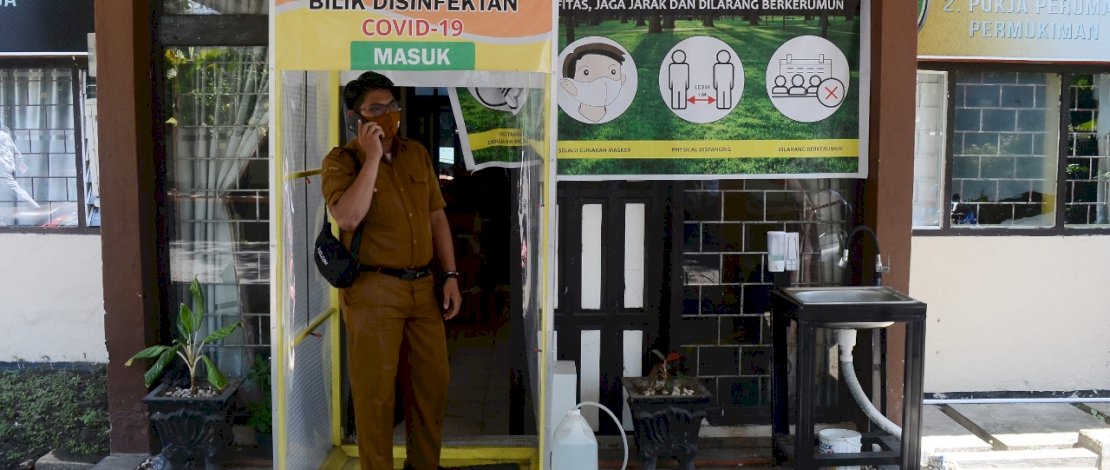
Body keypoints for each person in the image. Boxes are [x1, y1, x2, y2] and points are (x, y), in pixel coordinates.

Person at [320, 71, 461, 470]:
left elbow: (436, 217)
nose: (388, 116)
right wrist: (372, 158)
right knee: (376, 398)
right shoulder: (341, 161)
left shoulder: (416, 153)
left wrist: (450, 276)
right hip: (372, 290)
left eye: (392, 107)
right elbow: (347, 218)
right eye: (376, 109)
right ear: (355, 117)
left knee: (431, 390)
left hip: (423, 288)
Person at [0, 126, 40, 209]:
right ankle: (35, 207)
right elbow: (17, 153)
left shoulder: (3, 136)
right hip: (7, 168)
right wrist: (20, 163)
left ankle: (36, 208)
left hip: (3, 169)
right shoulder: (6, 136)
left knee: (15, 190)